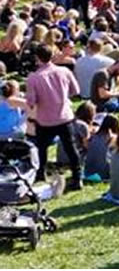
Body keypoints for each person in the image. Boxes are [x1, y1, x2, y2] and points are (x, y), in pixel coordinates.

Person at [26, 44, 81, 190]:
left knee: (42, 149)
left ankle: (40, 175)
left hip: (45, 120)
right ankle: (77, 177)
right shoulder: (64, 71)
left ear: (37, 58)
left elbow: (31, 102)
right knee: (71, 148)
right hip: (65, 117)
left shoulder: (33, 78)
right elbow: (76, 90)